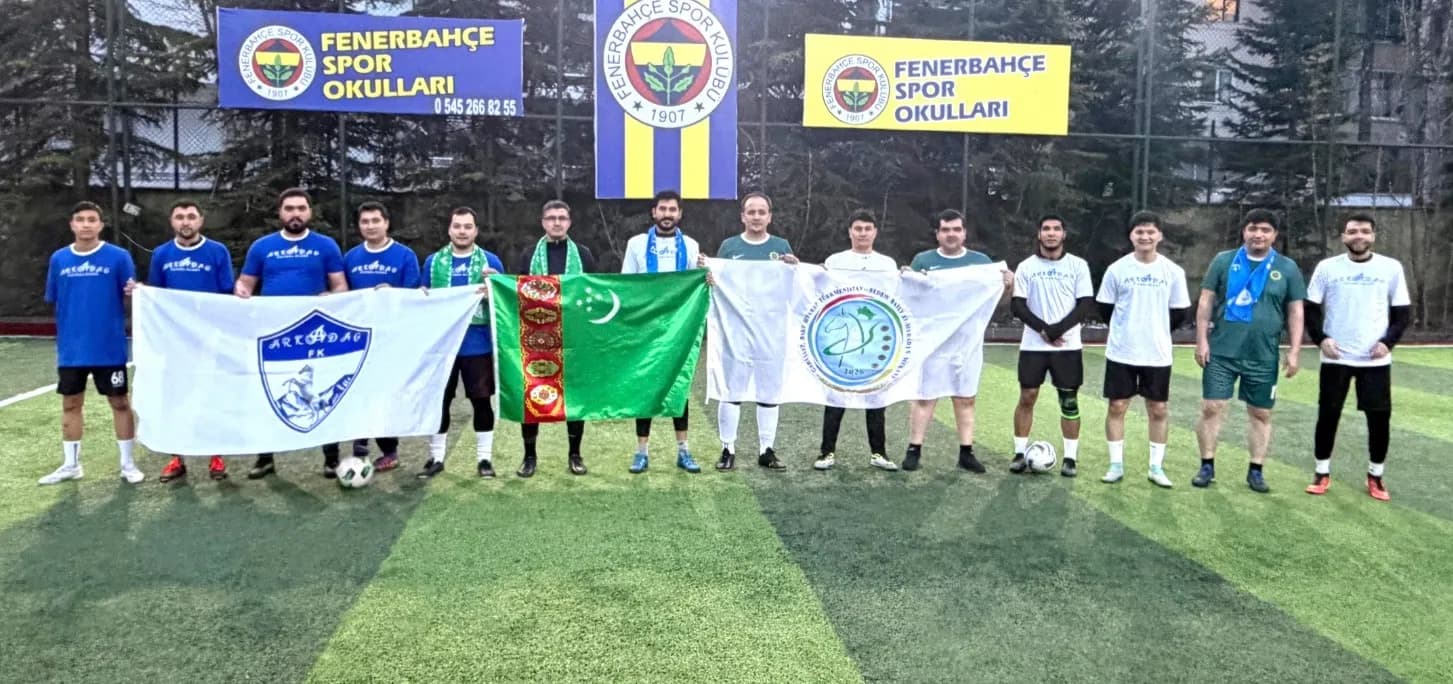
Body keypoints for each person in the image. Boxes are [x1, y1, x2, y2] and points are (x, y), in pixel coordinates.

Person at [235, 188, 348, 479]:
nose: (295, 213)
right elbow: (245, 283)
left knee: (321, 392)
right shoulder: (262, 247)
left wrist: (331, 297)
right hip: (273, 334)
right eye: (289, 208)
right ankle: (265, 458)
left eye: (300, 208)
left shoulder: (326, 246)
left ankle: (331, 458)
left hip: (313, 337)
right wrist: (242, 292)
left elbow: (340, 286)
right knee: (268, 393)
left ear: (309, 212)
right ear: (280, 213)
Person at [1193, 208, 1305, 493]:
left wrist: (1294, 350)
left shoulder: (1287, 267)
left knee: (1261, 413)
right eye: (1253, 228)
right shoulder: (1223, 260)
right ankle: (1207, 465)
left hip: (1263, 354)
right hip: (1222, 351)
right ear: (1244, 231)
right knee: (1212, 407)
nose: (1258, 234)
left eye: (1265, 230)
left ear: (1274, 235)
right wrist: (1201, 340)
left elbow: (1295, 310)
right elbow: (1206, 301)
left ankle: (1256, 470)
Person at [1303, 213, 1410, 501]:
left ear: (1373, 236)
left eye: (1364, 231)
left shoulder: (1391, 267)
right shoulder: (1327, 267)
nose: (1358, 236)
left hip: (1374, 360)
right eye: (1352, 231)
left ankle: (1376, 476)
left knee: (1379, 418)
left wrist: (1387, 343)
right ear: (1343, 236)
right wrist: (1321, 339)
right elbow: (1310, 308)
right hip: (1336, 358)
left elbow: (1402, 313)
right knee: (1328, 415)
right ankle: (1321, 472)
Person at [901, 209, 1013, 473]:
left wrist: (1008, 285)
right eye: (945, 230)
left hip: (967, 343)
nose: (951, 234)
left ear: (964, 233)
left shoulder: (981, 262)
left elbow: (998, 302)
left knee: (965, 398)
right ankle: (914, 449)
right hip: (933, 343)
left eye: (956, 229)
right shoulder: (923, 260)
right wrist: (906, 278)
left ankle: (966, 452)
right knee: (925, 397)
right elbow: (910, 298)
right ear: (937, 234)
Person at [39, 202, 143, 485]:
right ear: (72, 225)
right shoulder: (59, 259)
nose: (86, 224)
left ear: (100, 225)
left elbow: (132, 299)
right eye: (80, 219)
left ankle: (128, 464)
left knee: (120, 402)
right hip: (72, 350)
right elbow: (56, 299)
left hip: (109, 347)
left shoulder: (119, 257)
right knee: (71, 404)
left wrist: (134, 293)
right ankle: (71, 465)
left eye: (92, 219)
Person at [1095, 211, 1190, 488]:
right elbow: (1105, 308)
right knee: (1117, 406)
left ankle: (1156, 467)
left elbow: (1179, 312)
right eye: (1139, 232)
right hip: (1122, 351)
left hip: (1157, 354)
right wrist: (1128, 329)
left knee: (1158, 409)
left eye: (1150, 232)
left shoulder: (1173, 272)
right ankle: (1115, 465)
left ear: (1159, 235)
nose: (1145, 237)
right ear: (1131, 236)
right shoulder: (1117, 269)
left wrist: (1155, 330)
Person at [149, 200, 236, 482]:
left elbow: (226, 296)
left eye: (190, 216)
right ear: (172, 222)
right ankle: (177, 458)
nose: (185, 222)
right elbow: (156, 296)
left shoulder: (217, 251)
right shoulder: (161, 254)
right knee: (175, 398)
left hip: (210, 338)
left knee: (212, 396)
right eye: (179, 217)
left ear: (201, 221)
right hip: (175, 341)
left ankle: (216, 456)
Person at [417, 207, 505, 480]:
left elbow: (503, 302)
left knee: (481, 401)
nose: (462, 231)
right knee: (440, 401)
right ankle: (436, 458)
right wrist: (421, 295)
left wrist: (492, 290)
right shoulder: (433, 262)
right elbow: (422, 297)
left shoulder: (491, 261)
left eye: (468, 226)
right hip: (442, 345)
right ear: (449, 229)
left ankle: (484, 459)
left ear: (476, 231)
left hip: (477, 344)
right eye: (457, 226)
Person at [713, 191, 798, 471]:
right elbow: (718, 282)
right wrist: (708, 272)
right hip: (736, 331)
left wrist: (797, 269)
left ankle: (766, 449)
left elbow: (793, 286)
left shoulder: (780, 246)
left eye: (762, 212)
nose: (757, 217)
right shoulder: (729, 247)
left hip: (771, 331)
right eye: (751, 212)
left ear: (769, 217)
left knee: (769, 391)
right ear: (743, 216)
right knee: (731, 390)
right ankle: (728, 448)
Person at [622, 189, 703, 474]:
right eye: (662, 209)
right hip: (646, 329)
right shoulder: (636, 244)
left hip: (679, 328)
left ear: (680, 214)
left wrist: (707, 276)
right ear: (653, 212)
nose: (667, 214)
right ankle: (641, 452)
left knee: (679, 387)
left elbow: (695, 285)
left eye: (672, 209)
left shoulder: (691, 245)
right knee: (645, 387)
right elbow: (627, 285)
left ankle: (684, 450)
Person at [815, 209, 900, 472]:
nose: (863, 233)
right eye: (858, 228)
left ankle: (879, 453)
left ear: (875, 232)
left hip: (874, 341)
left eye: (867, 228)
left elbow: (895, 298)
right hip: (842, 341)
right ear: (850, 232)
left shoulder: (887, 264)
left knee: (875, 400)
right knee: (835, 399)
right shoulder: (834, 261)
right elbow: (822, 293)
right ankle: (826, 452)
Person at [1009, 215, 1094, 477]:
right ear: (1039, 234)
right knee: (1027, 396)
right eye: (1046, 229)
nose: (1051, 233)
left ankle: (1070, 458)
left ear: (1064, 234)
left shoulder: (1078, 265)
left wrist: (1057, 329)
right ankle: (1019, 453)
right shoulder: (1026, 266)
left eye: (1056, 229)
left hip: (1067, 347)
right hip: (1033, 346)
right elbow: (1018, 305)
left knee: (1068, 401)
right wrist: (1044, 330)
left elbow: (1084, 304)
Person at [515, 200, 595, 478]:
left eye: (562, 217)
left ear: (569, 222)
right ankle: (529, 456)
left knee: (575, 395)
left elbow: (593, 292)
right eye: (551, 218)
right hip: (537, 336)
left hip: (574, 335)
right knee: (531, 393)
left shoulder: (583, 254)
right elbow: (515, 291)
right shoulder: (528, 254)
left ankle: (575, 454)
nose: (557, 222)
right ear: (543, 222)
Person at [341, 201, 421, 472]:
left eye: (376, 220)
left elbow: (413, 297)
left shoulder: (405, 255)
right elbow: (343, 297)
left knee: (384, 395)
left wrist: (393, 294)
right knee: (357, 392)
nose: (370, 226)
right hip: (358, 339)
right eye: (365, 221)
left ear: (386, 223)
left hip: (391, 339)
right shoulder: (351, 257)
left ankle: (390, 451)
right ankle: (359, 447)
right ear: (359, 226)